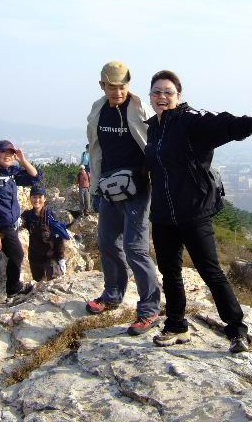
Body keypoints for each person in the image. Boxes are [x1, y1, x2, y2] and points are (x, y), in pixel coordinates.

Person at [144, 70, 252, 353]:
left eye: (168, 92)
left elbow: (224, 125)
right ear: (150, 96)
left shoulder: (191, 121)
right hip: (163, 215)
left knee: (211, 272)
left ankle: (237, 331)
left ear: (178, 95)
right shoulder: (154, 128)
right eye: (157, 92)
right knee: (170, 273)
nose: (162, 97)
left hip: (194, 212)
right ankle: (176, 326)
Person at [85, 60, 161, 335]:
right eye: (112, 87)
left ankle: (149, 309)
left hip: (138, 188)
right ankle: (113, 294)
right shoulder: (98, 109)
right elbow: (96, 150)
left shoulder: (140, 109)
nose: (118, 92)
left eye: (122, 86)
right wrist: (95, 187)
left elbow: (156, 143)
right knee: (107, 242)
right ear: (102, 85)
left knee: (135, 248)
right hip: (108, 186)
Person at [0, 140, 42, 310]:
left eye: (11, 152)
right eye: (3, 152)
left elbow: (35, 177)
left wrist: (22, 160)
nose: (8, 155)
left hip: (6, 225)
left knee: (17, 254)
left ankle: (13, 287)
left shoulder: (10, 172)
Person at [21, 185, 70, 281]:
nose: (37, 200)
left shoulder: (50, 216)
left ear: (45, 199)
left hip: (49, 258)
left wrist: (61, 258)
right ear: (30, 198)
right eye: (34, 197)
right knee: (38, 284)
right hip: (34, 259)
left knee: (50, 283)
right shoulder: (27, 215)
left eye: (40, 197)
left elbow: (58, 237)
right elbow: (19, 225)